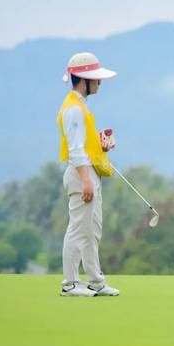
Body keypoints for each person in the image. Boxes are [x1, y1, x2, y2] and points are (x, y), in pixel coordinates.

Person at [57, 52, 119, 296]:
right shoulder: (73, 109)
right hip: (80, 174)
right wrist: (85, 180)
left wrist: (100, 145)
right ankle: (70, 284)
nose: (99, 83)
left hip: (88, 172)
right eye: (96, 79)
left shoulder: (81, 106)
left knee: (92, 230)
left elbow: (83, 144)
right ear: (83, 79)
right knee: (78, 229)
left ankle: (96, 281)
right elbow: (74, 150)